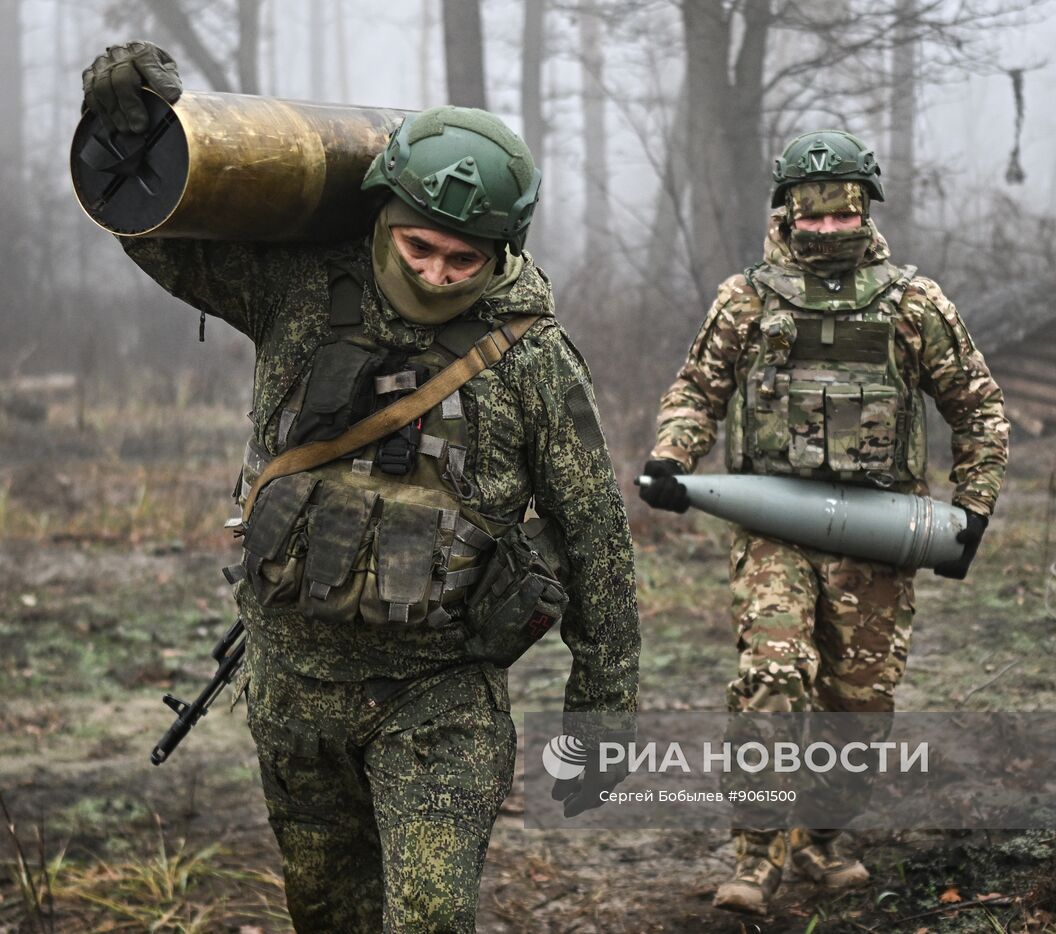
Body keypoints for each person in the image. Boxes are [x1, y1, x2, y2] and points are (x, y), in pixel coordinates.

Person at [82, 41, 640, 933]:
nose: (436, 274)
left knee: (426, 918)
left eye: (466, 261)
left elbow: (594, 533)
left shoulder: (535, 357)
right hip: (292, 693)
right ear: (381, 215)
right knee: (328, 917)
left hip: (437, 702)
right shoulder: (293, 288)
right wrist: (129, 124)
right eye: (420, 247)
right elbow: (154, 226)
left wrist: (604, 712)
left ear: (503, 252)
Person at [639, 129, 1009, 915]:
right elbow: (696, 391)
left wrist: (972, 509)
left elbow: (978, 409)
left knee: (859, 701)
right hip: (774, 525)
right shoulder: (748, 299)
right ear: (787, 214)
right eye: (816, 222)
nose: (830, 235)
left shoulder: (913, 303)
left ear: (866, 212)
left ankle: (821, 838)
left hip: (877, 535)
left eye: (845, 221)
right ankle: (756, 855)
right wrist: (673, 457)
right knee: (773, 676)